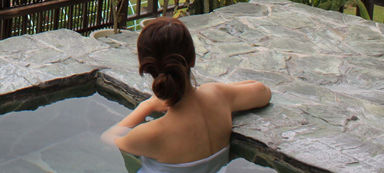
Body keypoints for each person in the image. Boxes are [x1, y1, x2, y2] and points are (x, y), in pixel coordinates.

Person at [101, 17, 271, 173]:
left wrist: (147, 106)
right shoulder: (219, 97)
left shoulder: (151, 133)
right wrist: (217, 90)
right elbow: (263, 92)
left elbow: (107, 138)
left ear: (146, 68)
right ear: (193, 59)